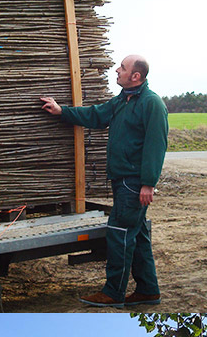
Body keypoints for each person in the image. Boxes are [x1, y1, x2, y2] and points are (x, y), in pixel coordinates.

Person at [39, 54, 169, 307]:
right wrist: (61, 111)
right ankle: (148, 290)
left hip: (133, 183)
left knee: (119, 235)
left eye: (122, 67)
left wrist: (148, 183)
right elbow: (95, 115)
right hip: (122, 180)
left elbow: (156, 145)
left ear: (136, 76)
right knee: (137, 236)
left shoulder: (151, 104)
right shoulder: (122, 100)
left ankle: (113, 293)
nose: (116, 70)